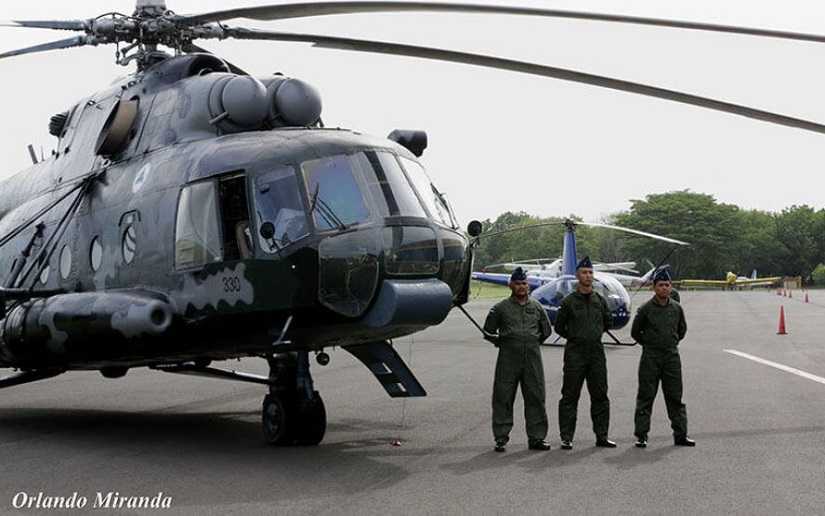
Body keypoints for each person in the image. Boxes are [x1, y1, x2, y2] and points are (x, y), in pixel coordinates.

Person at [483, 267, 553, 452]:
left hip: (532, 359)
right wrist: (502, 341)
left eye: (524, 283)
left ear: (527, 286)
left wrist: (531, 342)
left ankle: (537, 438)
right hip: (508, 359)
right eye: (518, 284)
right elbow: (488, 330)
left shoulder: (536, 307)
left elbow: (546, 331)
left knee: (536, 397)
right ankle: (500, 437)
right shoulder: (500, 308)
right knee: (503, 397)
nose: (521, 287)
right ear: (511, 285)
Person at [554, 256, 616, 449]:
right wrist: (575, 336)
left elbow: (608, 323)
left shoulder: (600, 300)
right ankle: (566, 437)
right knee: (570, 395)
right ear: (577, 275)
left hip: (596, 352)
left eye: (590, 273)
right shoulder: (569, 302)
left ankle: (602, 436)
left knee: (600, 395)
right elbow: (559, 327)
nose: (588, 276)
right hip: (575, 353)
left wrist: (592, 334)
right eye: (584, 272)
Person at [630, 267, 695, 447]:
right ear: (654, 287)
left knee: (675, 396)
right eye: (660, 285)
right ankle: (641, 435)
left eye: (667, 285)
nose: (664, 288)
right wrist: (651, 344)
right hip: (650, 357)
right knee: (646, 396)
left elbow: (681, 330)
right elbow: (636, 332)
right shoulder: (645, 309)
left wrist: (669, 343)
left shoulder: (676, 308)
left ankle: (680, 434)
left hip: (671, 356)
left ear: (671, 287)